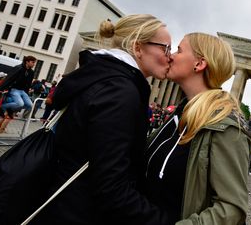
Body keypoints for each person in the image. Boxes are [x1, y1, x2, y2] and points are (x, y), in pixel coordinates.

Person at [35, 14, 172, 224]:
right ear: (137, 48)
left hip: (60, 202)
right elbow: (110, 186)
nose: (170, 56)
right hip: (79, 212)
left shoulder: (99, 76)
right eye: (166, 48)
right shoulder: (120, 92)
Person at [143, 32, 251, 224]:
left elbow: (231, 209)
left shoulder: (226, 129)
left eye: (179, 50)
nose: (170, 55)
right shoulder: (180, 113)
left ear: (199, 64)